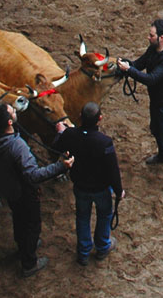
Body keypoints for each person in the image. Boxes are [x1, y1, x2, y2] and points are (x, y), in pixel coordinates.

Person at [0, 100, 73, 277]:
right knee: (33, 224)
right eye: (12, 111)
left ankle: (22, 246)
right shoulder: (17, 146)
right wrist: (61, 166)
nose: (14, 110)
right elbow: (34, 175)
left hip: (7, 186)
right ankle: (29, 262)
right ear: (10, 122)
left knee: (18, 220)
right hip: (25, 191)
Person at [50, 101, 123, 265]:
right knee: (104, 215)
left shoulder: (70, 135)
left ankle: (83, 252)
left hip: (80, 186)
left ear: (80, 117)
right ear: (100, 119)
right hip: (101, 188)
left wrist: (61, 133)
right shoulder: (104, 142)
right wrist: (119, 191)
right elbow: (113, 170)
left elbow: (56, 146)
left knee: (82, 217)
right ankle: (103, 246)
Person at [118, 18, 163, 189]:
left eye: (151, 35)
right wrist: (127, 65)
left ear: (161, 38)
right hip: (157, 101)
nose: (148, 37)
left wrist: (130, 71)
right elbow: (140, 64)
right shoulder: (153, 49)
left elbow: (152, 79)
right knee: (156, 130)